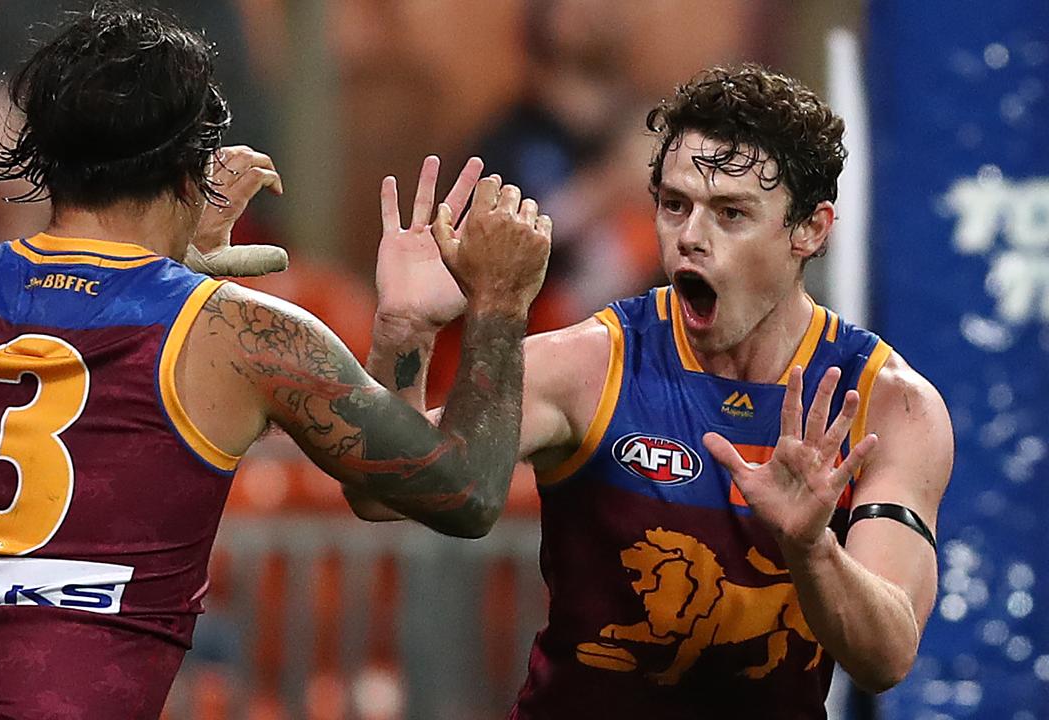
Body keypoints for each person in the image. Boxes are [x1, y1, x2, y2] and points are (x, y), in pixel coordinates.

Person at [0, 4, 551, 719]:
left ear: (39, 153)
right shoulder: (240, 334)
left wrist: (180, 259)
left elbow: (66, 302)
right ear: (194, 172)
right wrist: (497, 303)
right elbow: (462, 494)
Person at [354, 64, 953, 718]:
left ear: (810, 228)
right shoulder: (592, 365)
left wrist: (811, 550)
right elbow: (385, 495)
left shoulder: (889, 405)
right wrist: (403, 329)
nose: (691, 236)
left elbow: (887, 657)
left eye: (731, 213)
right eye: (675, 204)